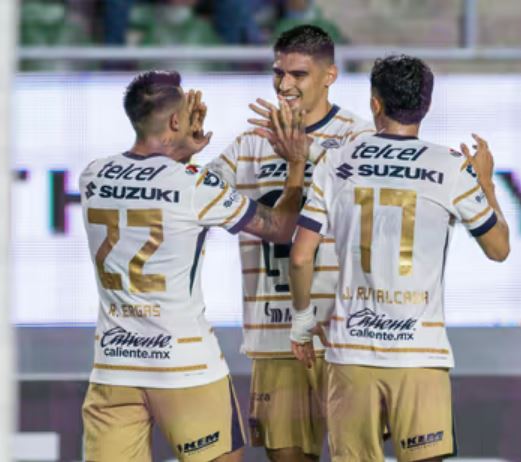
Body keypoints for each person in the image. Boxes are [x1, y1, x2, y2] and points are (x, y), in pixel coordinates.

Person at [79, 70, 309, 462]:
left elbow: (152, 181)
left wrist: (183, 153)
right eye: (187, 112)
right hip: (185, 367)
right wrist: (296, 165)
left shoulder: (92, 175)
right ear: (174, 122)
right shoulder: (193, 184)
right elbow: (282, 227)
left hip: (114, 369)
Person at [289, 55, 510, 462]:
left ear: (375, 103)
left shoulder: (336, 162)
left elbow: (301, 256)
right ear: (426, 104)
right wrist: (488, 185)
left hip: (351, 352)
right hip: (419, 355)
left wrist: (302, 323)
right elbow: (499, 249)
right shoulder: (451, 167)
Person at [205, 24, 373, 461]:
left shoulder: (359, 138)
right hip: (273, 335)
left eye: (298, 74)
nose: (284, 84)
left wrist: (305, 158)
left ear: (329, 75)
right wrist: (184, 155)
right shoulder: (247, 145)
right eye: (278, 72)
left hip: (342, 334)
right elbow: (194, 196)